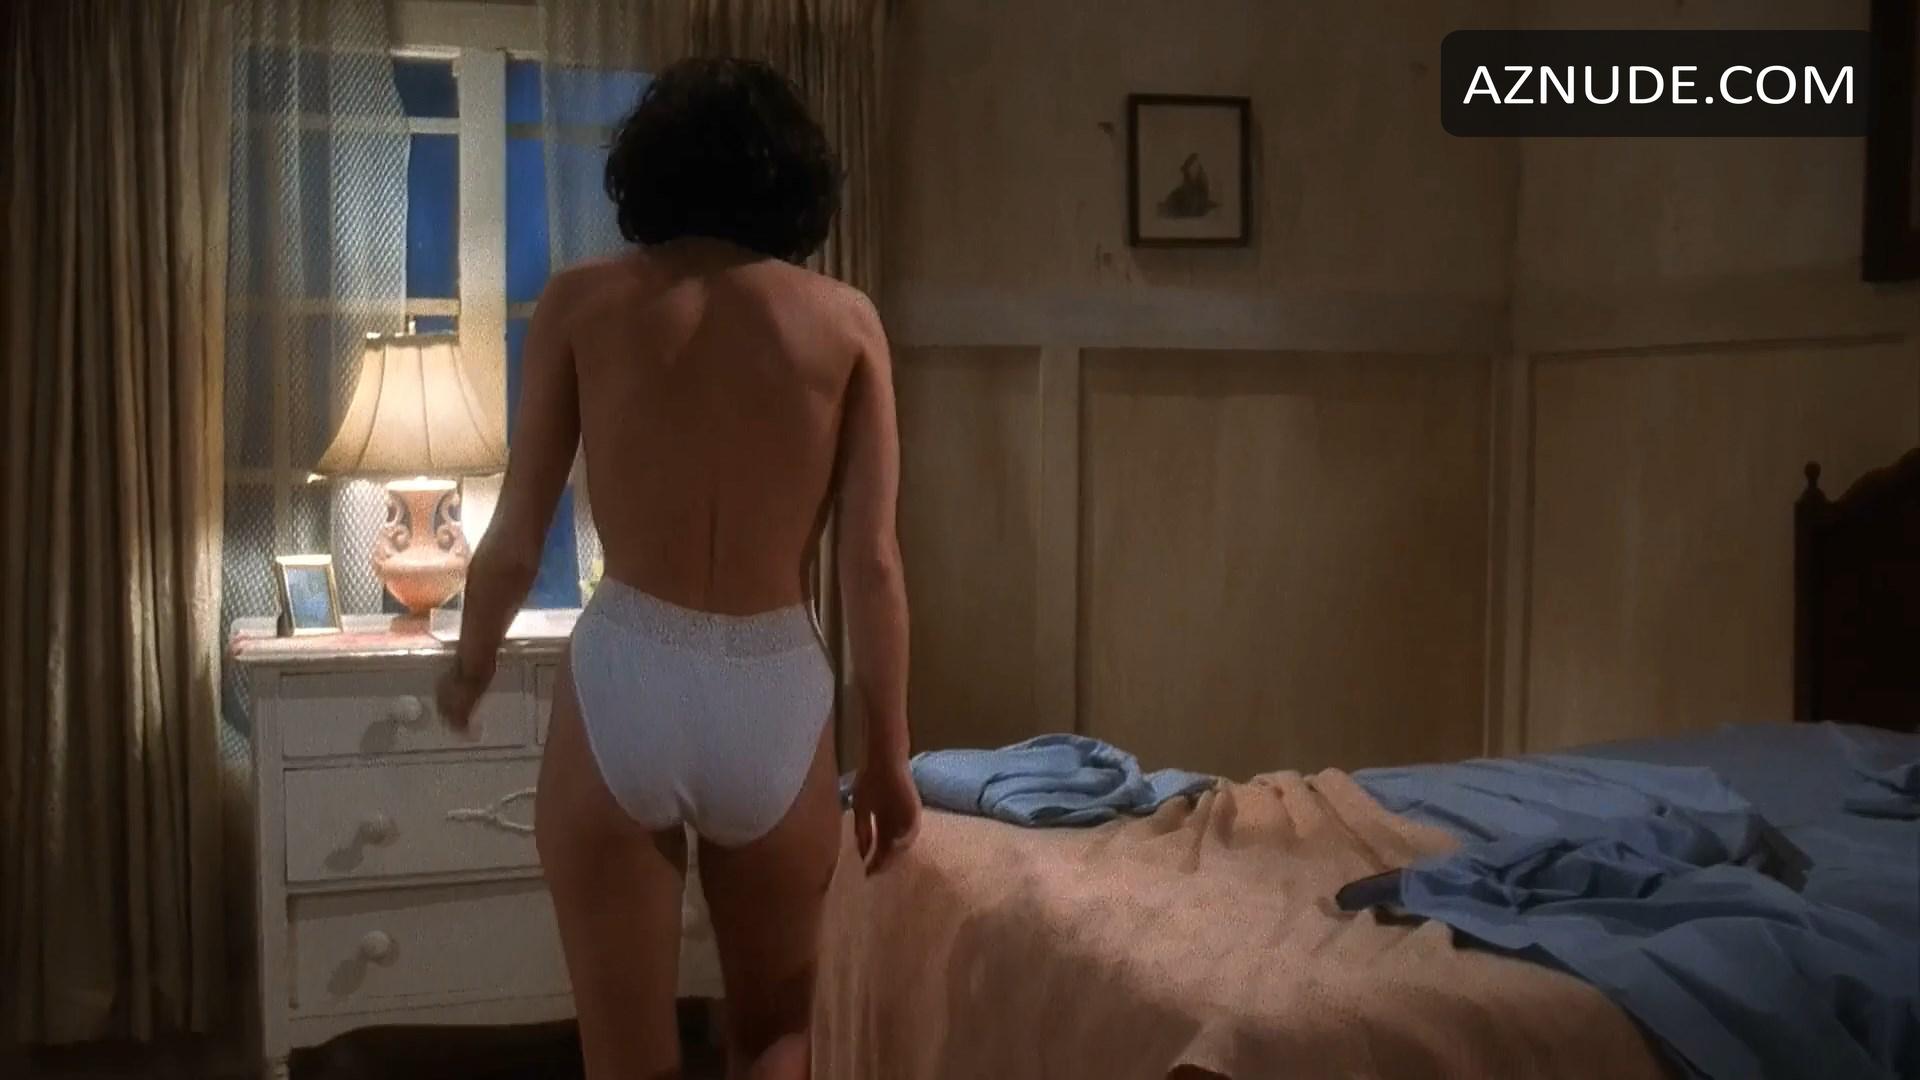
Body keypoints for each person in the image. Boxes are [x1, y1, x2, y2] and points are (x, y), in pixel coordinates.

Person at [435, 57, 921, 1080]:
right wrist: (890, 754)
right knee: (780, 1033)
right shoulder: (845, 323)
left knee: (625, 1057)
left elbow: (516, 536)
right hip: (772, 678)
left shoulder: (582, 302)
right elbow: (872, 565)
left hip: (631, 666)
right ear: (793, 178)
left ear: (648, 169)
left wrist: (471, 665)